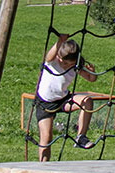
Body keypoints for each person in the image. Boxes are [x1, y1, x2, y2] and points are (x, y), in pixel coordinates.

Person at [34, 33, 99, 162]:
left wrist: (92, 71)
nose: (65, 65)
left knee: (87, 101)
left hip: (63, 100)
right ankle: (43, 166)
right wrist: (60, 41)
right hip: (45, 103)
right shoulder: (52, 61)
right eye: (63, 62)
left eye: (69, 64)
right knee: (46, 138)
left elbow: (91, 79)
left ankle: (81, 137)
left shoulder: (75, 66)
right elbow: (49, 56)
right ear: (58, 56)